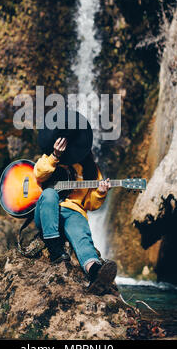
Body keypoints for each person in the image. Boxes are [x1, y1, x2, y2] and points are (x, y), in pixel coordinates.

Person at [33, 110, 117, 293]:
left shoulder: (90, 169)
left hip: (73, 212)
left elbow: (90, 204)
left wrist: (100, 193)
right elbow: (38, 174)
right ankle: (55, 248)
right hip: (46, 212)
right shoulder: (49, 159)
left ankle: (95, 273)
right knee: (49, 195)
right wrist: (55, 156)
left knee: (82, 236)